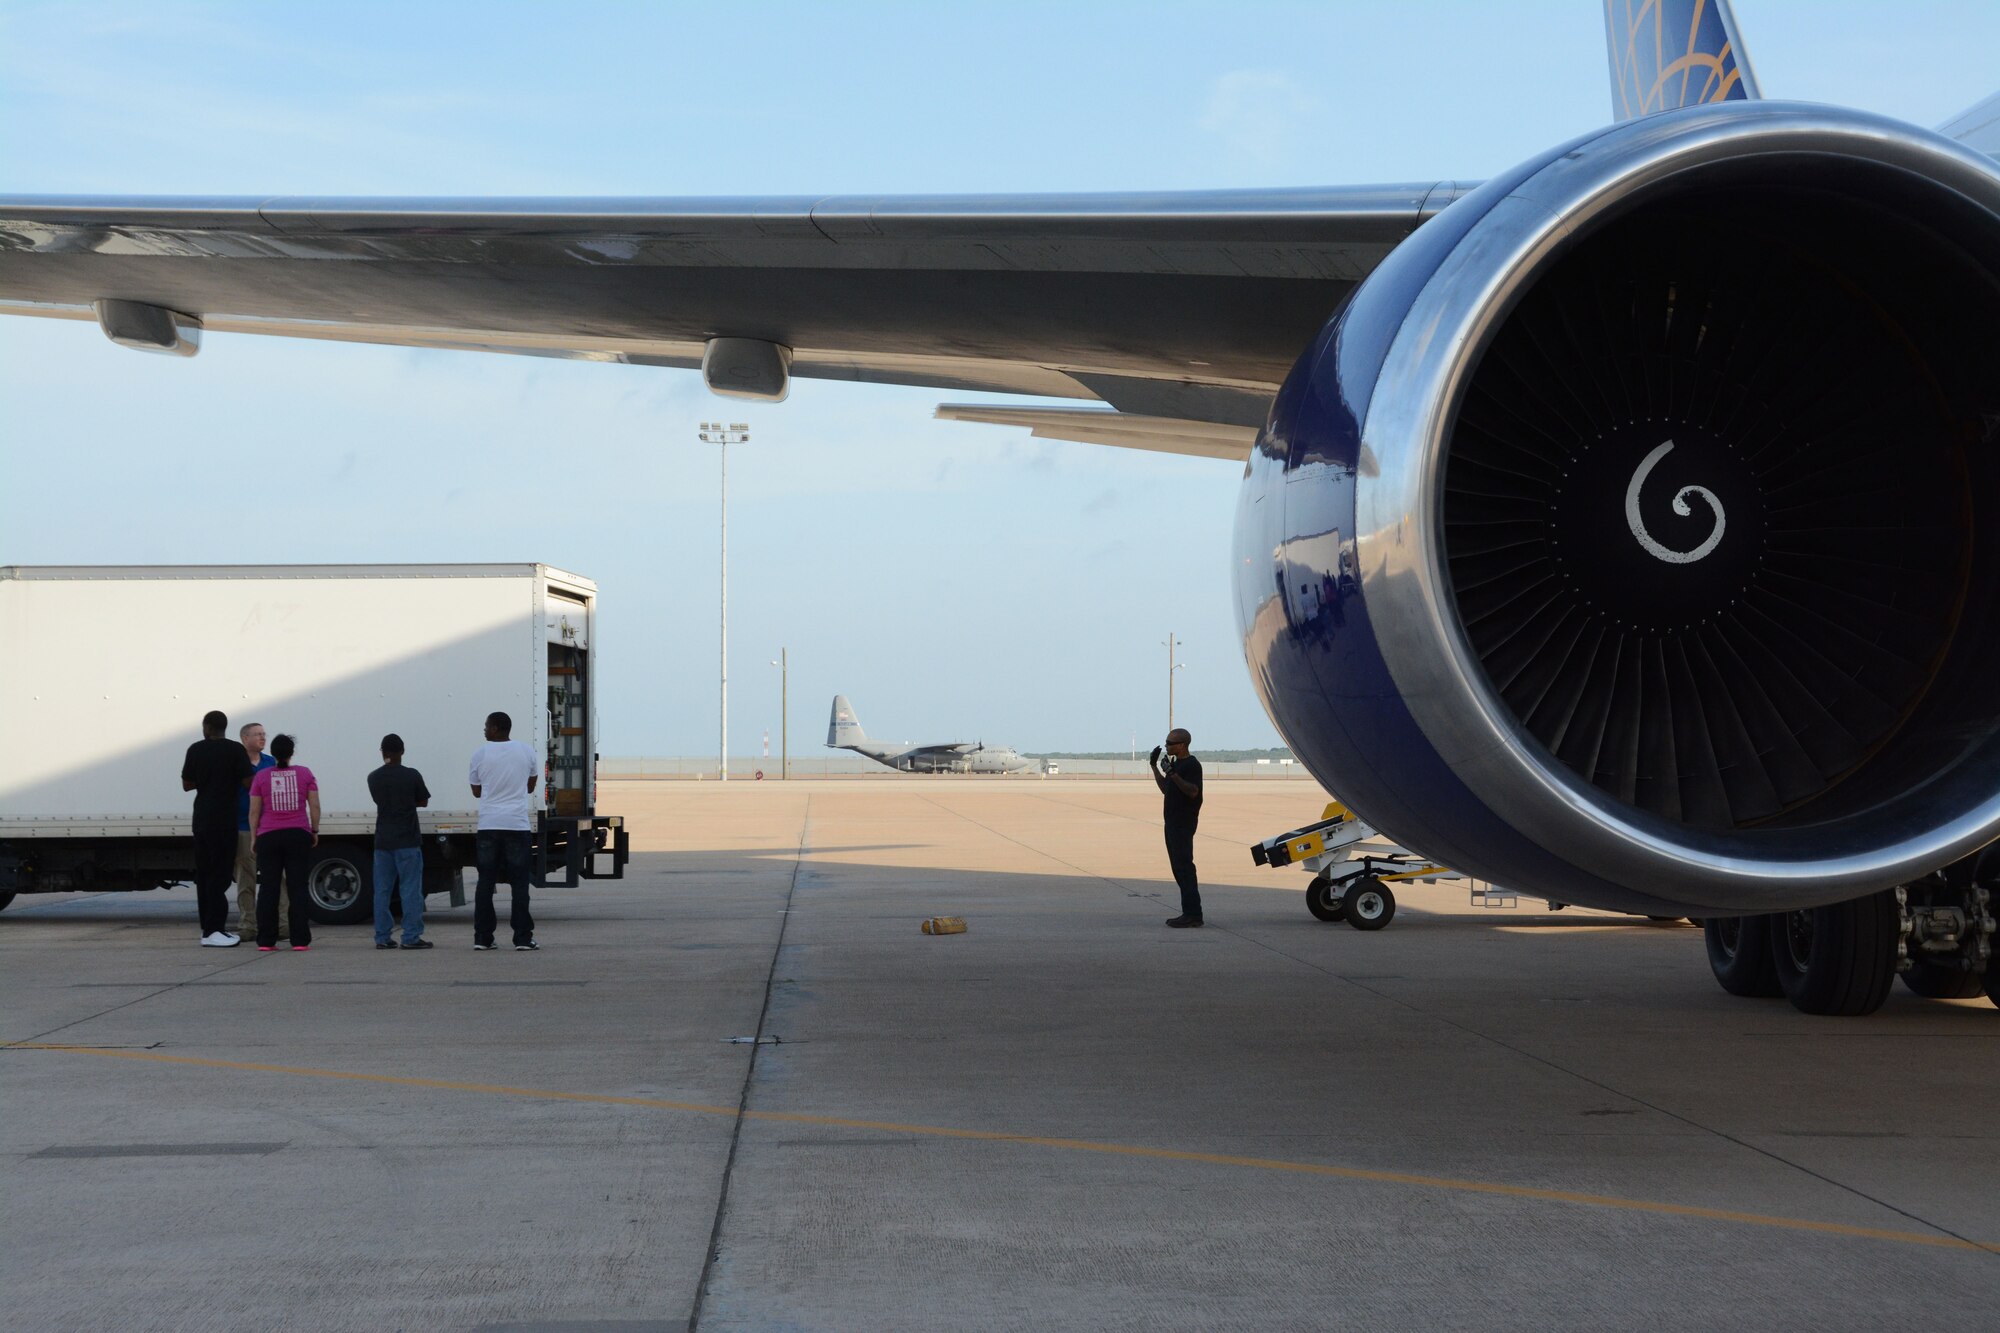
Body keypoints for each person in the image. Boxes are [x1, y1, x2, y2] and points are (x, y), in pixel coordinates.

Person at [181, 710, 253, 947]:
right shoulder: (235, 750)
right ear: (224, 727)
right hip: (225, 820)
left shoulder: (195, 749)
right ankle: (214, 930)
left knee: (204, 874)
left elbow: (187, 784)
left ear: (207, 727)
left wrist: (206, 780)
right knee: (220, 876)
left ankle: (208, 928)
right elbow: (247, 782)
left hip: (202, 819)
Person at [468, 711, 539, 951]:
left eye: (487, 726)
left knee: (485, 883)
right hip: (517, 825)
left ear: (496, 728)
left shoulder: (480, 754)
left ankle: (483, 938)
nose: (484, 730)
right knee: (520, 884)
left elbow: (476, 791)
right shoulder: (527, 751)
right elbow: (531, 786)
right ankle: (522, 938)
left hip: (488, 825)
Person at [248, 733, 318, 952]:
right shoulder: (305, 773)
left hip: (269, 836)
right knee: (298, 887)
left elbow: (254, 811)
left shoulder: (261, 776)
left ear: (273, 752)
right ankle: (299, 940)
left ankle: (267, 941)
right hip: (298, 834)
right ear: (291, 752)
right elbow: (314, 807)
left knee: (269, 888)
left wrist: (254, 837)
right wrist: (314, 830)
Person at [368, 733, 432, 950]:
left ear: (382, 752)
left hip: (383, 840)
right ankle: (411, 936)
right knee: (410, 889)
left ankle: (382, 937)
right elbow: (422, 800)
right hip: (407, 839)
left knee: (382, 890)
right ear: (402, 751)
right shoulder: (412, 775)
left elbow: (379, 800)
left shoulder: (373, 777)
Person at [1150, 728, 1205, 927]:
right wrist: (1155, 767)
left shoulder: (1191, 765)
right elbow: (1166, 789)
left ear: (1182, 745)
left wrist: (1172, 774)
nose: (1166, 746)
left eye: (1170, 743)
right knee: (1178, 868)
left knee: (1185, 868)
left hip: (1183, 823)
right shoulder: (1176, 764)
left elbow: (1192, 791)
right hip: (1172, 822)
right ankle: (1189, 912)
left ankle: (1193, 914)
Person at [233, 721, 282, 940]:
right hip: (243, 826)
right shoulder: (236, 763)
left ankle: (281, 924)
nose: (263, 738)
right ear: (245, 738)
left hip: (269, 826)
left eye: (264, 734)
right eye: (257, 734)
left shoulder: (270, 762)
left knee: (278, 877)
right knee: (246, 878)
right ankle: (248, 925)